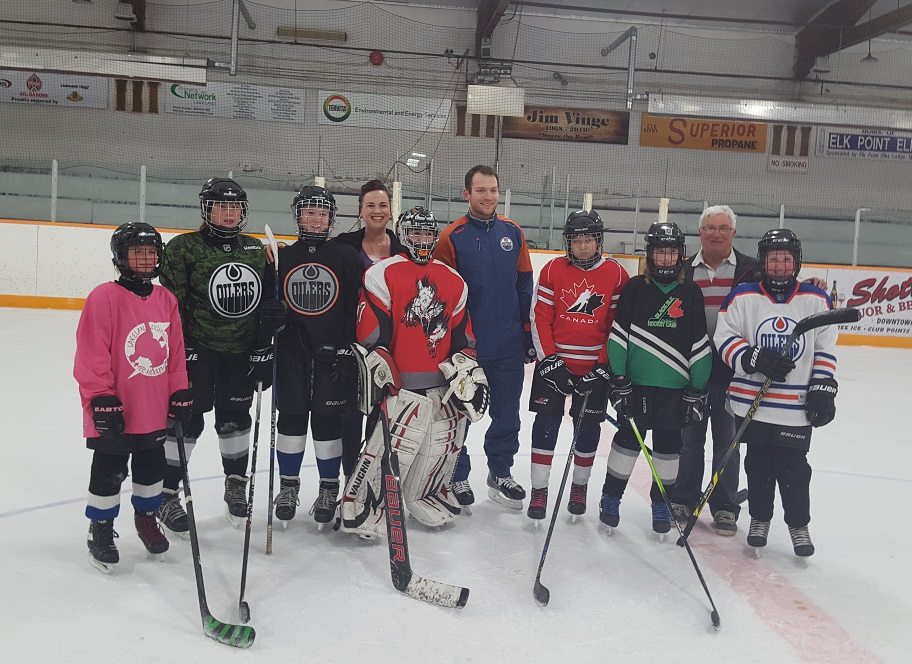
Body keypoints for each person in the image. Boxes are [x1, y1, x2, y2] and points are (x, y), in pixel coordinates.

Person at [341, 207, 488, 538]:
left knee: (441, 446)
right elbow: (371, 331)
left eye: (428, 233)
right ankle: (367, 504)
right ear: (403, 235)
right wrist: (381, 363)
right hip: (400, 387)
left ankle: (427, 494)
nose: (422, 239)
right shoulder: (382, 273)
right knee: (391, 450)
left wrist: (465, 366)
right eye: (416, 232)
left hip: (440, 387)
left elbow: (463, 334)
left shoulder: (453, 279)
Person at [158, 178, 284, 533]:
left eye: (235, 207)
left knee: (235, 418)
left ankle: (236, 484)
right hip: (197, 351)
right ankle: (166, 493)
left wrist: (264, 343)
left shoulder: (254, 249)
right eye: (221, 207)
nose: (229, 214)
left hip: (240, 354)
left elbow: (268, 299)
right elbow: (170, 305)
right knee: (186, 420)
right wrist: (181, 349)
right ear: (206, 209)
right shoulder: (184, 248)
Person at [74, 222, 192, 571]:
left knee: (151, 467)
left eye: (151, 253)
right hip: (115, 405)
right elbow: (91, 351)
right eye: (137, 252)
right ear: (120, 257)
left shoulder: (166, 299)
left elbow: (175, 353)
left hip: (152, 405)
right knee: (109, 468)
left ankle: (146, 518)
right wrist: (100, 396)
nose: (145, 259)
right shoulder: (104, 297)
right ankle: (101, 526)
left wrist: (179, 389)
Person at [714, 229, 837, 557]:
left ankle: (798, 524)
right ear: (763, 262)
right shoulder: (742, 296)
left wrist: (823, 387)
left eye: (786, 260)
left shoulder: (815, 299)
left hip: (796, 405)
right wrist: (753, 358)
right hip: (752, 402)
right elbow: (725, 338)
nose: (780, 266)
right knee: (757, 464)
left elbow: (825, 347)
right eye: (773, 260)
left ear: (796, 262)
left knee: (794, 467)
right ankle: (759, 519)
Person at [599, 221, 712, 534]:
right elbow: (618, 337)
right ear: (649, 254)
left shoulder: (690, 293)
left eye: (671, 252)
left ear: (680, 255)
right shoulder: (635, 289)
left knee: (669, 447)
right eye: (660, 252)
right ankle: (611, 498)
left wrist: (696, 388)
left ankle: (662, 503)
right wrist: (619, 379)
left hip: (675, 389)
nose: (665, 258)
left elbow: (700, 344)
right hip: (637, 386)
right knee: (627, 441)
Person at [434, 165, 534, 510]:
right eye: (480, 190)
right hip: (467, 348)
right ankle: (457, 474)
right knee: (461, 412)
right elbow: (443, 295)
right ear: (467, 194)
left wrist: (527, 333)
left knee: (507, 415)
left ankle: (500, 472)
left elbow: (524, 285)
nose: (488, 196)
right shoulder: (451, 237)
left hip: (507, 344)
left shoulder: (513, 232)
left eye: (492, 190)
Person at [267, 185, 364, 527]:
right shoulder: (282, 258)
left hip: (332, 357)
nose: (316, 219)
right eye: (309, 212)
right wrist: (271, 319)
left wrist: (346, 348)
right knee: (291, 420)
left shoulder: (345, 257)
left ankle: (328, 488)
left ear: (331, 219)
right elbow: (269, 304)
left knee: (327, 422)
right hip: (292, 355)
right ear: (298, 216)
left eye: (322, 213)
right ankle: (288, 487)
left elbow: (354, 305)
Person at [526, 210, 628, 520]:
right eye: (576, 240)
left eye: (588, 240)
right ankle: (539, 490)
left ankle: (579, 486)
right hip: (554, 364)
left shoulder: (617, 274)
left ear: (599, 241)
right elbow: (540, 317)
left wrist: (603, 365)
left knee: (588, 429)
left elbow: (617, 327)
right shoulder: (552, 269)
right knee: (545, 424)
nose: (583, 247)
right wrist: (549, 360)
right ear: (568, 242)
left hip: (593, 367)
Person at [670, 205, 758, 536]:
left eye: (723, 228)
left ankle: (724, 506)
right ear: (700, 232)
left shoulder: (752, 270)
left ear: (733, 233)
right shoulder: (682, 270)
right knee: (689, 441)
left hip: (732, 373)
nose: (716, 234)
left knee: (727, 443)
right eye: (710, 228)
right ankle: (684, 498)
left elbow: (778, 296)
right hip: (691, 371)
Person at [333, 179, 405, 481]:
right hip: (351, 351)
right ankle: (351, 484)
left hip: (392, 352)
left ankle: (374, 484)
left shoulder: (404, 251)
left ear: (391, 210)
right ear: (360, 210)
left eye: (383, 205)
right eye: (371, 205)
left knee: (382, 422)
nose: (378, 210)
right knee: (349, 420)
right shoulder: (342, 246)